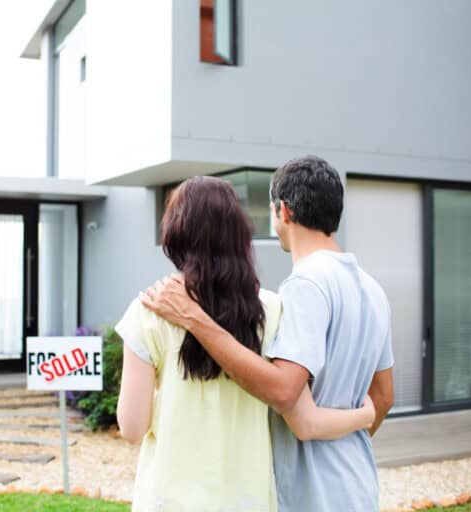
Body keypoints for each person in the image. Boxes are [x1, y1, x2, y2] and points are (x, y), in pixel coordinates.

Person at [141, 156, 395, 512]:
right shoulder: (372, 289)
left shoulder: (305, 285)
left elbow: (283, 390)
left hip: (312, 493)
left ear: (284, 211)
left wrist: (194, 318)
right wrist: (354, 428)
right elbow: (382, 397)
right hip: (358, 483)